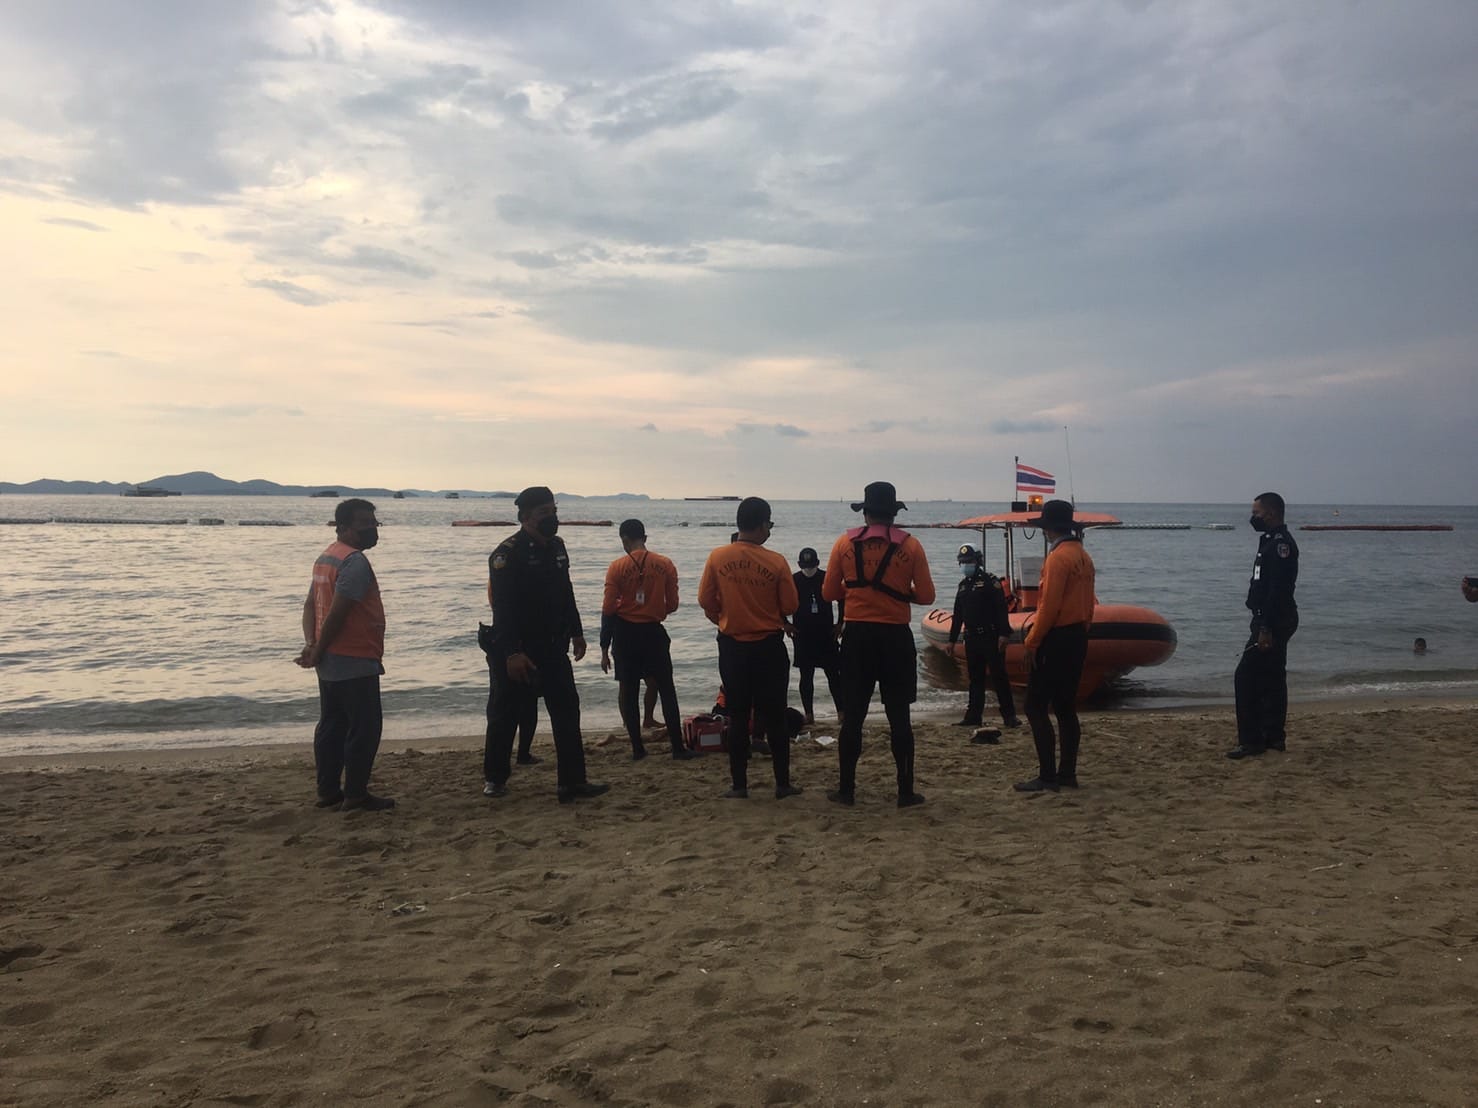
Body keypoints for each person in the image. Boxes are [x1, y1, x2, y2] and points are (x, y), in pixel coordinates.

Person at [483, 486, 609, 803]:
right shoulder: (506, 554)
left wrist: (577, 632)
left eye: (553, 511)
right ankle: (495, 779)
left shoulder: (558, 547)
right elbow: (503, 609)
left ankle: (572, 782)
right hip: (519, 649)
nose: (551, 518)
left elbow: (565, 591)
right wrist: (512, 652)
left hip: (554, 646)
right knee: (505, 715)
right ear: (526, 518)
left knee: (567, 712)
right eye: (543, 513)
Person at [822, 481, 936, 808]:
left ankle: (846, 790)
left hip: (857, 637)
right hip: (895, 638)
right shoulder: (911, 547)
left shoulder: (844, 543)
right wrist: (900, 592)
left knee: (854, 716)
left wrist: (854, 587)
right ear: (894, 513)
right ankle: (905, 792)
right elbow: (927, 596)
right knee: (899, 717)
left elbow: (830, 593)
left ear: (866, 511)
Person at [697, 497, 802, 799]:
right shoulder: (776, 561)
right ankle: (782, 784)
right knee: (775, 716)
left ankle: (739, 785)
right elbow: (791, 605)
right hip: (769, 646)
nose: (769, 529)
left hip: (732, 647)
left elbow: (705, 600)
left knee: (738, 716)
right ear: (760, 524)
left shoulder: (718, 557)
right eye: (769, 523)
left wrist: (724, 616)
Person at [295, 498, 394, 812]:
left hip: (332, 659)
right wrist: (317, 647)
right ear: (344, 528)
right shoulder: (353, 562)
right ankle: (355, 794)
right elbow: (337, 612)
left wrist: (312, 644)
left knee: (333, 724)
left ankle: (327, 790)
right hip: (352, 656)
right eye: (364, 524)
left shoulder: (327, 557)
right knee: (364, 727)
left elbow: (311, 605)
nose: (371, 529)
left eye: (373, 523)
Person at [600, 519, 699, 761]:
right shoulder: (665, 564)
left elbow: (608, 608)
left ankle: (637, 749)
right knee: (667, 688)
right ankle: (677, 747)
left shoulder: (616, 567)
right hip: (654, 633)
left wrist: (604, 646)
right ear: (645, 537)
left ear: (624, 539)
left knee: (628, 689)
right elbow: (673, 604)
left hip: (625, 634)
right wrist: (656, 610)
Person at [1013, 500, 1096, 793]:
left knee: (1034, 705)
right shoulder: (1083, 557)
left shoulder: (1057, 559)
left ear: (1047, 528)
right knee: (1065, 706)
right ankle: (1067, 774)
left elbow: (1048, 607)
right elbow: (1090, 604)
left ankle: (1047, 776)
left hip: (1056, 637)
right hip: (1077, 637)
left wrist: (1032, 641)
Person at [1228, 492, 1299, 760]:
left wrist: (1266, 627)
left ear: (1270, 513)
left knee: (1245, 677)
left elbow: (1278, 590)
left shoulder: (1281, 545)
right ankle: (1274, 736)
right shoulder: (1269, 541)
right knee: (1272, 677)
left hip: (1274, 618)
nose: (1253, 518)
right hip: (1269, 617)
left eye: (1256, 513)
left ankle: (1252, 740)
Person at [948, 542, 1019, 736]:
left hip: (991, 636)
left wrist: (1004, 634)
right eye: (962, 562)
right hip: (971, 638)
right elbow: (958, 614)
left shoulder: (990, 582)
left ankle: (1009, 716)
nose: (965, 565)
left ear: (977, 561)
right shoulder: (963, 586)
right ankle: (973, 715)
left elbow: (1000, 609)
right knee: (975, 679)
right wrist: (951, 640)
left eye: (968, 561)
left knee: (999, 677)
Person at [790, 547, 843, 726]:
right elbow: (778, 601)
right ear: (799, 564)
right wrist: (785, 624)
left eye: (811, 565)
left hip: (826, 633)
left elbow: (842, 599)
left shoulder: (826, 578)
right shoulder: (794, 580)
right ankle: (809, 714)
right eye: (805, 565)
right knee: (806, 677)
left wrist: (841, 623)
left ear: (818, 563)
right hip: (802, 634)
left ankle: (841, 712)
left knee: (834, 675)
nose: (809, 569)